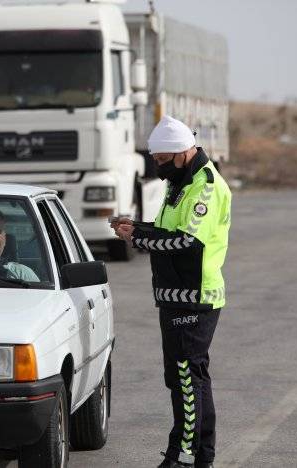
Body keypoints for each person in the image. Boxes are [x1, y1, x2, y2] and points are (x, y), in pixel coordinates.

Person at [112, 116, 232, 468]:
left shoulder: (205, 186)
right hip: (175, 295)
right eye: (156, 161)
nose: (159, 168)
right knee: (185, 379)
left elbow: (186, 241)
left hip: (196, 296)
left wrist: (136, 237)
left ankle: (184, 457)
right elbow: (168, 231)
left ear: (182, 153)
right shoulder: (180, 181)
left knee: (186, 380)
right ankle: (200, 457)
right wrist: (137, 227)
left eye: (163, 161)